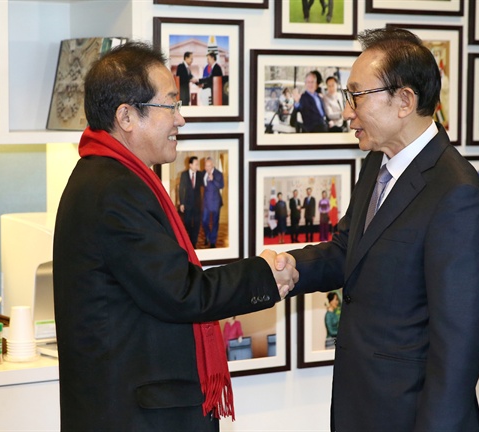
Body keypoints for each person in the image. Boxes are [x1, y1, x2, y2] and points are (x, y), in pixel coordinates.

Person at [52, 41, 298, 432]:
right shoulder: (115, 189)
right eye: (171, 106)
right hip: (137, 417)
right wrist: (264, 273)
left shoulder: (108, 177)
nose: (180, 120)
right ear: (127, 116)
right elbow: (182, 293)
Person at [281, 28, 479, 431]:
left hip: (411, 417)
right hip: (363, 407)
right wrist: (287, 265)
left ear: (404, 101)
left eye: (357, 97)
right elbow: (349, 252)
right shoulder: (377, 163)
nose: (347, 112)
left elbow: (458, 350)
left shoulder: (454, 192)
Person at [178, 155, 203, 247]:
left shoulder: (200, 174)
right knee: (187, 222)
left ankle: (194, 243)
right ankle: (192, 236)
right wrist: (182, 203)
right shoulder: (184, 175)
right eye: (196, 164)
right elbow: (181, 189)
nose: (197, 166)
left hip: (197, 204)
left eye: (198, 164)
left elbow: (205, 186)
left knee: (197, 223)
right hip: (187, 204)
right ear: (190, 165)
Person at [202, 157, 224, 248]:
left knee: (215, 223)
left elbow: (221, 186)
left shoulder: (218, 174)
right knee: (204, 221)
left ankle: (212, 242)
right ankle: (208, 236)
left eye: (209, 166)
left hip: (215, 202)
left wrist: (213, 179)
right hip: (206, 202)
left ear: (213, 165)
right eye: (206, 166)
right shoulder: (203, 173)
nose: (207, 168)